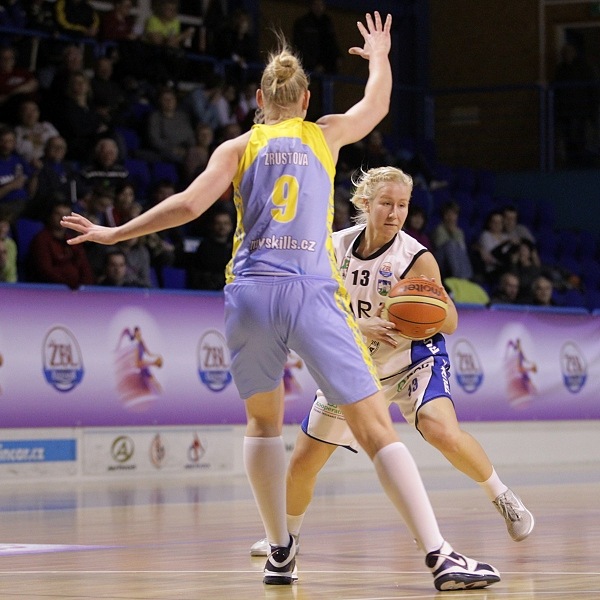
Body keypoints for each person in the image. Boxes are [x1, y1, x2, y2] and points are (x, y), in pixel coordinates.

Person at [60, 13, 500, 591]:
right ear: (307, 100)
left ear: (260, 99)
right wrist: (379, 55)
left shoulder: (237, 147)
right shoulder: (324, 134)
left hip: (249, 294)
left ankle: (279, 551)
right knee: (375, 428)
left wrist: (115, 232)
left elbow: (189, 206)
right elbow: (377, 104)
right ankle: (440, 557)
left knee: (262, 424)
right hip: (309, 290)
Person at [248, 166, 534, 558]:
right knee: (302, 463)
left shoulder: (416, 257)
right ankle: (285, 540)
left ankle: (502, 497)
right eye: (386, 203)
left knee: (440, 430)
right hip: (355, 369)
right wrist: (359, 326)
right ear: (365, 203)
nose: (395, 213)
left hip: (413, 359)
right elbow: (307, 312)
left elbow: (450, 321)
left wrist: (416, 314)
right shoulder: (332, 248)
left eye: (402, 205)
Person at [27, 201, 95, 288]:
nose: (62, 218)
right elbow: (45, 271)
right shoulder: (41, 240)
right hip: (52, 289)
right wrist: (69, 287)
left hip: (77, 290)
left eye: (66, 215)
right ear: (50, 216)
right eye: (58, 214)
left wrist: (85, 288)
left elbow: (85, 268)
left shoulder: (73, 240)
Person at [187, 207, 233, 290]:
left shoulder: (235, 247)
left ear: (231, 226)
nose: (222, 227)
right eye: (218, 223)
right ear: (212, 225)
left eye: (226, 223)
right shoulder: (205, 247)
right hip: (207, 288)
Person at [431, 199, 473, 280]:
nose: (451, 217)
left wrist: (453, 232)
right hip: (442, 261)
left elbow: (462, 249)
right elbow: (439, 246)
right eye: (448, 214)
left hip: (457, 261)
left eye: (453, 214)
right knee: (451, 245)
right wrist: (450, 232)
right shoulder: (439, 229)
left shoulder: (459, 232)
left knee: (460, 249)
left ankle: (467, 277)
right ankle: (457, 276)